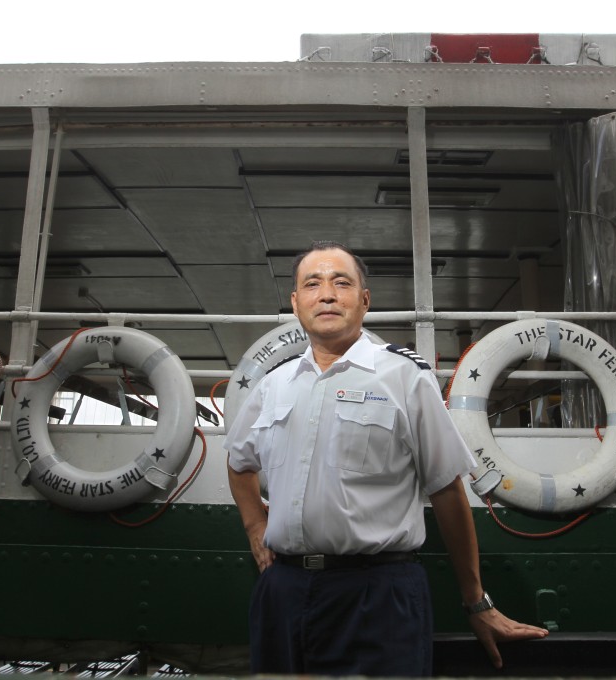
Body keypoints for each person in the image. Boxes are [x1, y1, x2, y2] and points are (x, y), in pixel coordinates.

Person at [224, 241, 548, 676]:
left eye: (342, 283)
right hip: (283, 593)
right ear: (296, 301)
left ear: (364, 300)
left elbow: (447, 489)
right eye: (312, 284)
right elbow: (239, 460)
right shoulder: (273, 386)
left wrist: (476, 601)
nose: (327, 294)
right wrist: (254, 525)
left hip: (376, 593)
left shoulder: (404, 378)